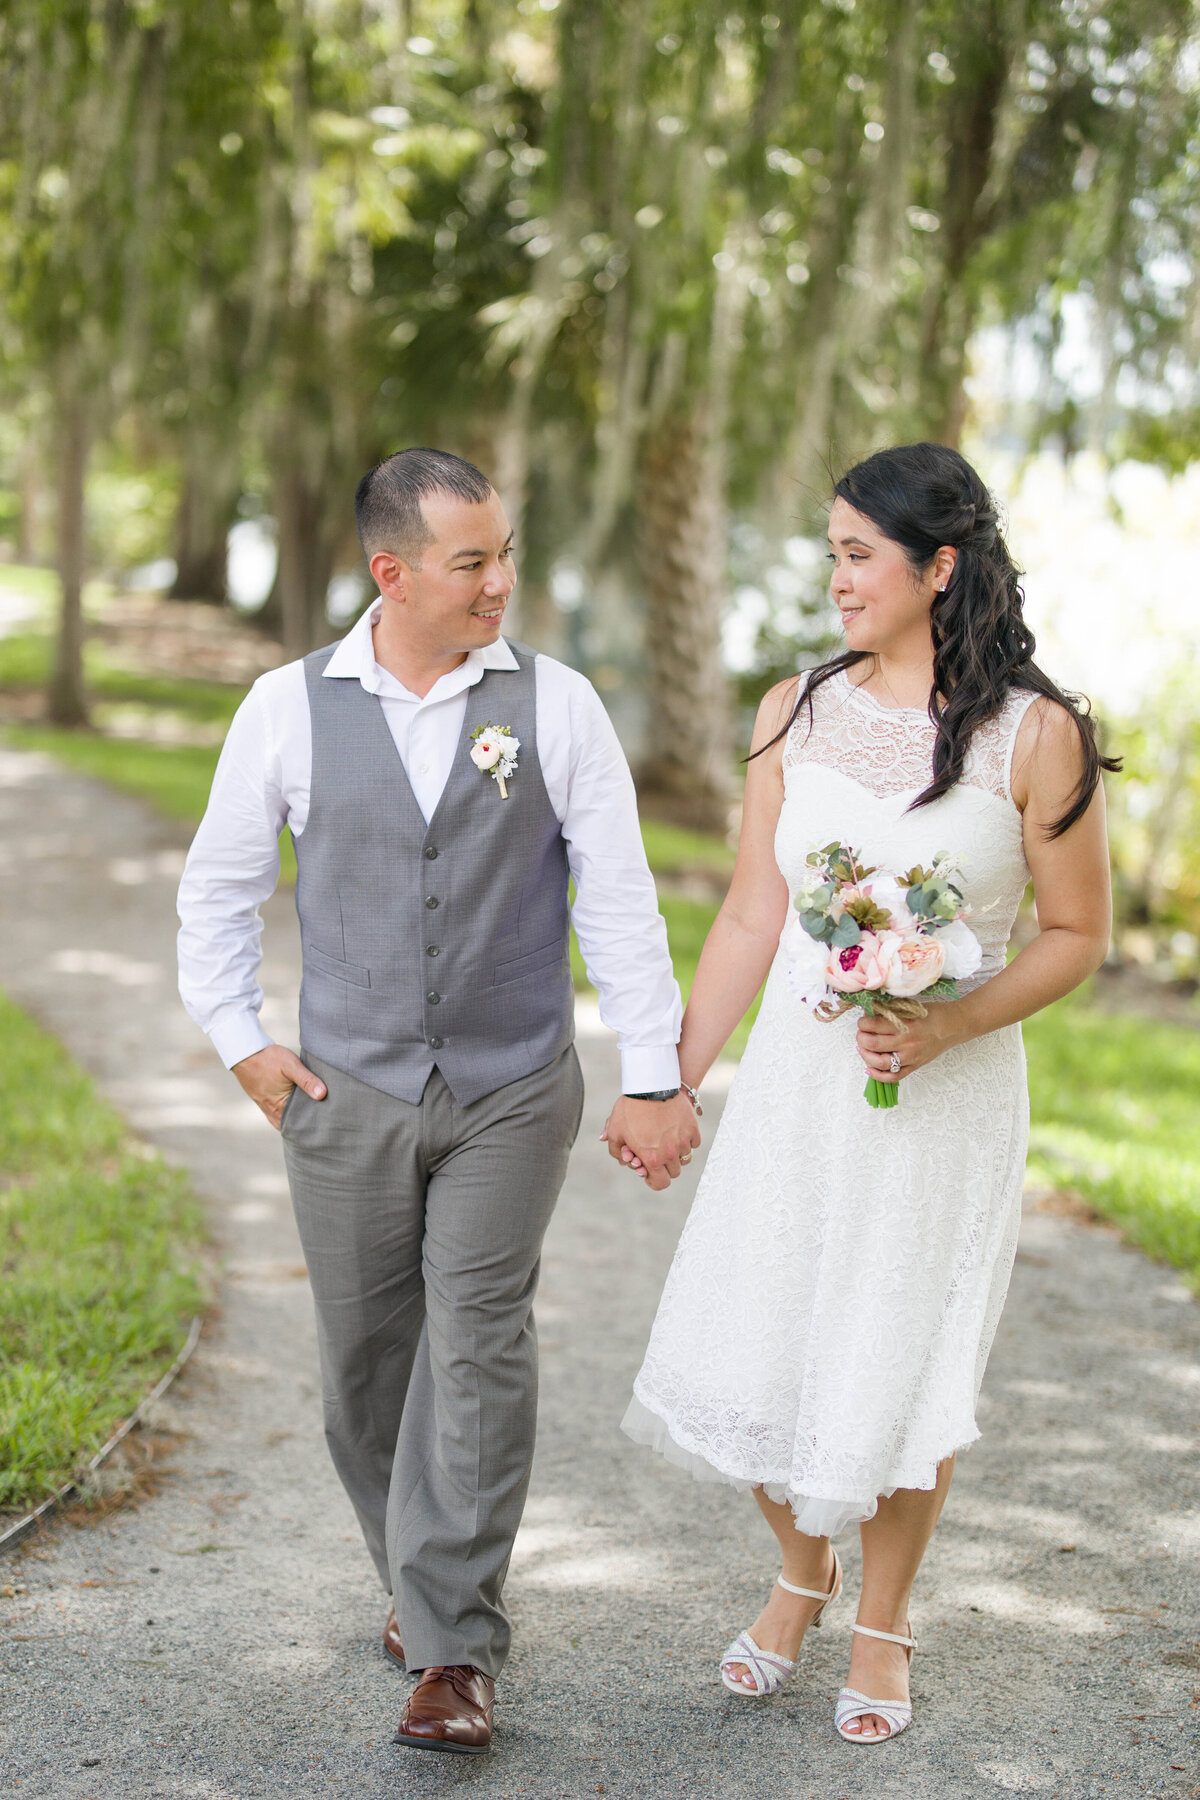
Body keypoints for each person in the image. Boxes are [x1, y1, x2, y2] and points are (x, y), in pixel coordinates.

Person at [177, 448, 699, 1755]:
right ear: (391, 571)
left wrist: (651, 1071)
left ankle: (457, 1643)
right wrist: (245, 1046)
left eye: (506, 553)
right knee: (365, 1360)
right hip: (342, 1090)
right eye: (473, 562)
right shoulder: (286, 709)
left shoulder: (559, 705)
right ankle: (419, 1579)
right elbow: (218, 893)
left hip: (512, 1084)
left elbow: (620, 901)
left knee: (479, 1333)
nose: (500, 583)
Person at [619, 442, 1117, 1744]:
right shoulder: (792, 709)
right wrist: (664, 1076)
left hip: (941, 1094)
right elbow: (746, 912)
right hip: (795, 1081)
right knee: (759, 1330)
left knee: (899, 1353)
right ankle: (800, 1570)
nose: (835, 579)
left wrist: (946, 1019)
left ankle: (883, 1619)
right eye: (829, 551)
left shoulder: (1037, 733)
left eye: (858, 554)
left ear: (938, 567)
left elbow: (1073, 935)